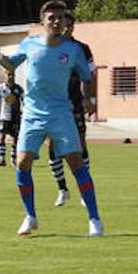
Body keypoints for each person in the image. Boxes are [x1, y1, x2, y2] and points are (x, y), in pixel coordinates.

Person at [0, 0, 103, 237]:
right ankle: (30, 216)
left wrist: (90, 100)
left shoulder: (73, 50)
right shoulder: (30, 43)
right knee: (21, 163)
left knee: (76, 164)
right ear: (42, 22)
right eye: (51, 17)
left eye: (60, 17)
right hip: (32, 114)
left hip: (61, 113)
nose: (57, 21)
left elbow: (87, 75)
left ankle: (94, 219)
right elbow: (11, 64)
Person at [49, 12, 95, 207]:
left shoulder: (82, 49)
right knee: (52, 146)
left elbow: (90, 75)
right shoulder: (49, 47)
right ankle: (62, 189)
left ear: (73, 27)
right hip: (52, 104)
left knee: (80, 145)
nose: (64, 28)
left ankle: (85, 189)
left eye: (68, 25)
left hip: (74, 103)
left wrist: (90, 99)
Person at [0, 68, 23, 167]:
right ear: (5, 75)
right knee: (2, 137)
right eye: (8, 74)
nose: (10, 77)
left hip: (15, 117)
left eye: (12, 75)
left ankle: (13, 159)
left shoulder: (18, 89)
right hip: (4, 116)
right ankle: (2, 159)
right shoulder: (0, 88)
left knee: (15, 138)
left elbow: (25, 101)